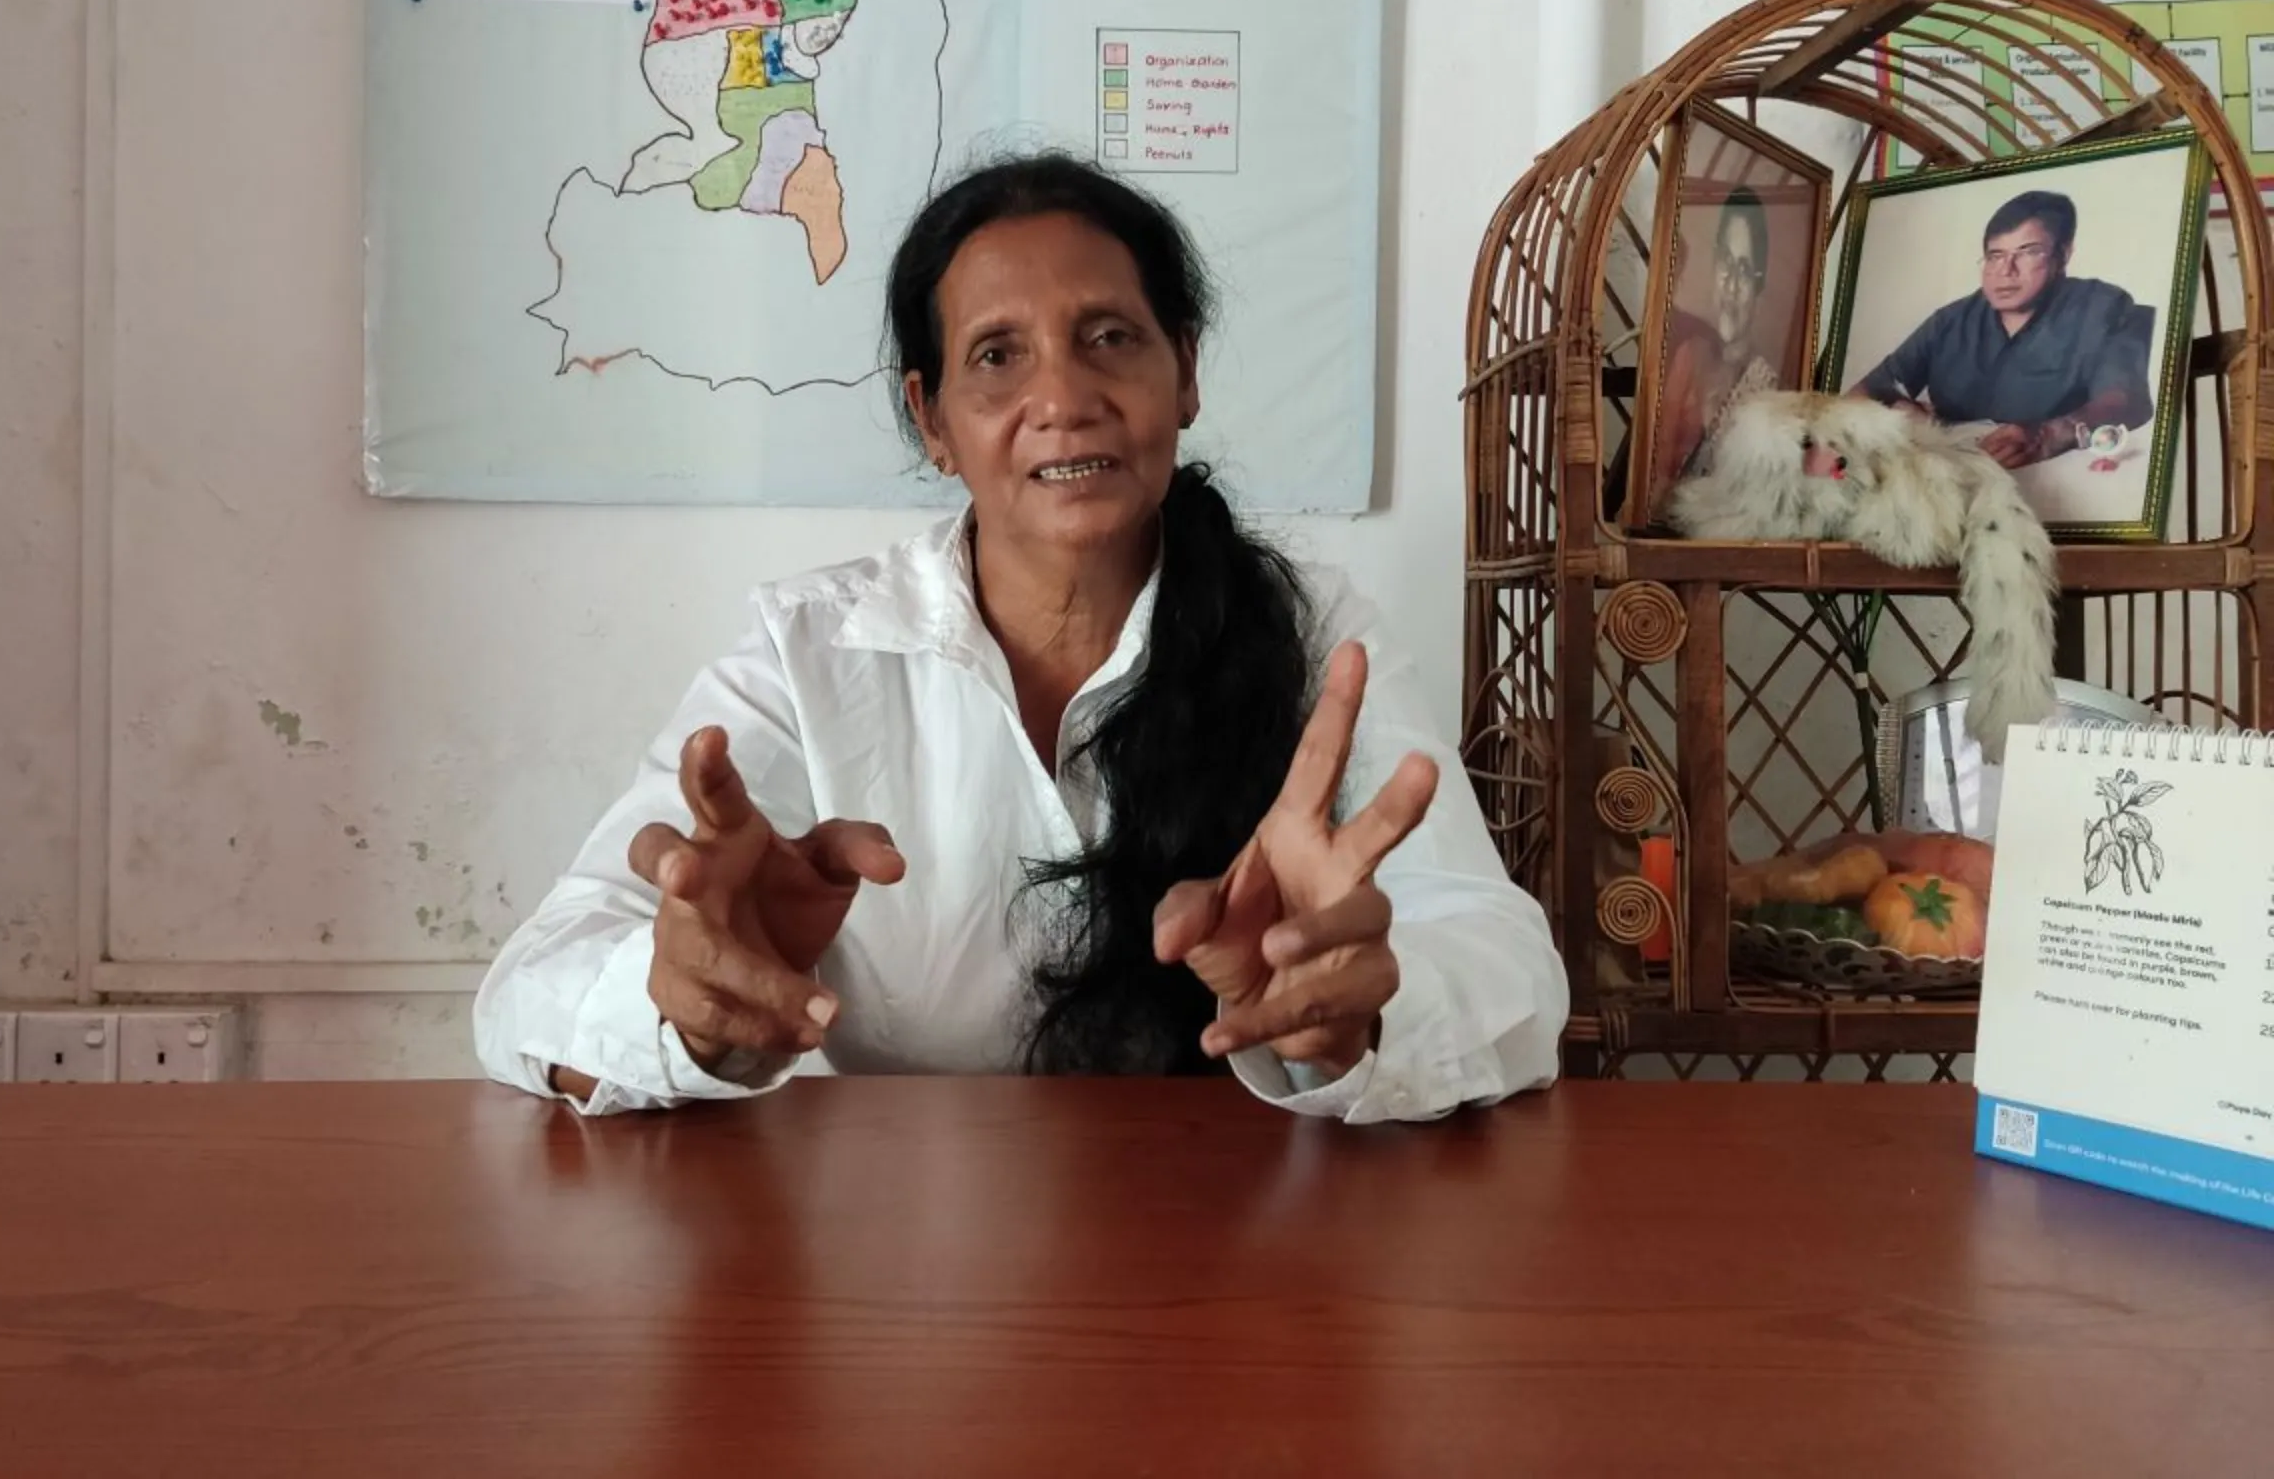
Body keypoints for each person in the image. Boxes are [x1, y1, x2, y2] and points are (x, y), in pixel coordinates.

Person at [473, 154, 1568, 1122]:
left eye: (1109, 338)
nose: (1063, 397)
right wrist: (685, 1008)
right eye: (997, 356)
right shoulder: (813, 653)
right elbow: (530, 990)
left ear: (1184, 372)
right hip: (909, 1284)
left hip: (1251, 1271)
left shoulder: (1317, 639)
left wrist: (1351, 1015)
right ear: (931, 420)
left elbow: (1511, 976)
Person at [1849, 189, 2155, 470]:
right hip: (1958, 471)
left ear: (2063, 255)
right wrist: (1898, 413)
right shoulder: (1951, 320)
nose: (2005, 270)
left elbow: (2124, 399)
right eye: (1995, 255)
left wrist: (2048, 434)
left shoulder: (2103, 306)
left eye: (2028, 251)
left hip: (2064, 475)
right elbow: (1861, 396)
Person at [1652, 186, 1782, 502]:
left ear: (1759, 291)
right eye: (1725, 259)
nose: (1731, 283)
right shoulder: (1691, 354)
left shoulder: (1768, 385)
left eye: (1745, 269)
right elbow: (1657, 468)